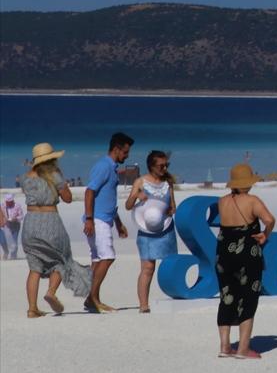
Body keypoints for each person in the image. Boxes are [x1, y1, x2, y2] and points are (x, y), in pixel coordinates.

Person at [19, 143, 92, 317]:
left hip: (30, 223)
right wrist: (62, 185)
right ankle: (51, 292)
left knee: (34, 267)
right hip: (50, 221)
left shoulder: (25, 178)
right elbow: (67, 198)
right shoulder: (55, 175)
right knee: (61, 260)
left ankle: (32, 308)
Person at [216, 163, 275, 359]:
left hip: (224, 253)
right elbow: (269, 219)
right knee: (248, 297)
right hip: (246, 254)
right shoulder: (252, 201)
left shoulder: (222, 201)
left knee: (227, 296)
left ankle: (225, 346)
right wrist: (265, 234)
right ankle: (243, 348)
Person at [84, 132, 134, 312]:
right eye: (125, 152)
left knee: (98, 259)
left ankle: (92, 299)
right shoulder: (104, 166)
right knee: (108, 257)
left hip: (103, 218)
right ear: (116, 149)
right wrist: (89, 219)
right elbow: (89, 192)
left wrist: (119, 223)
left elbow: (108, 199)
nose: (127, 156)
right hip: (97, 220)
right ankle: (93, 298)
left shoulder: (111, 167)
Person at [124, 150, 178, 313]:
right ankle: (143, 305)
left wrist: (170, 210)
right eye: (161, 165)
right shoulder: (140, 182)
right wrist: (136, 196)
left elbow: (173, 206)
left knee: (171, 265)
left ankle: (176, 296)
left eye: (166, 165)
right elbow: (127, 206)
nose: (164, 168)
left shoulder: (168, 183)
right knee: (148, 268)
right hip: (147, 231)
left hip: (165, 228)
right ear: (151, 166)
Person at [2, 193, 24, 259]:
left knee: (14, 240)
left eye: (9, 201)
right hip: (6, 225)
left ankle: (13, 255)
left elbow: (21, 216)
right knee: (5, 240)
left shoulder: (17, 206)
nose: (8, 203)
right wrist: (4, 220)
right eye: (7, 201)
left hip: (15, 225)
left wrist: (16, 219)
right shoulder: (2, 206)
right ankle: (6, 252)